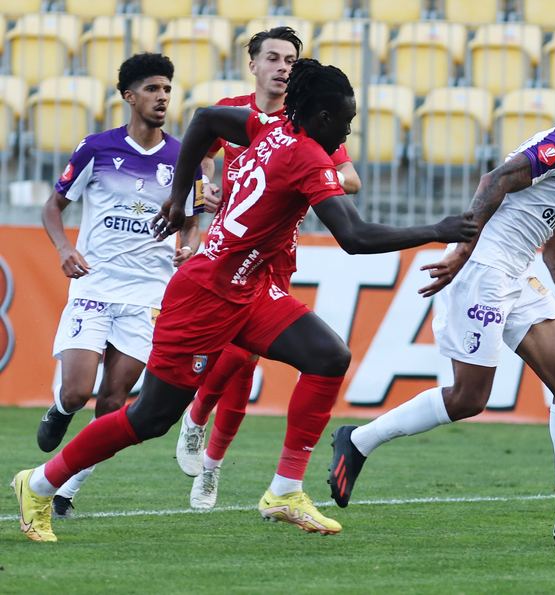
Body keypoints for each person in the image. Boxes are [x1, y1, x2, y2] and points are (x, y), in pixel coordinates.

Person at [11, 58, 477, 543]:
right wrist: (435, 230)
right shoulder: (310, 158)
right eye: (345, 121)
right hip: (205, 296)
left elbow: (205, 119)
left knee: (328, 356)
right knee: (150, 417)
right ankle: (40, 483)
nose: (347, 132)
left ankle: (284, 490)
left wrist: (177, 196)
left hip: (247, 289)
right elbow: (354, 236)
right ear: (321, 118)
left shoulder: (268, 124)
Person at [328, 91, 555, 548]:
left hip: (518, 272)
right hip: (481, 268)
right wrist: (463, 252)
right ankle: (359, 439)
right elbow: (495, 179)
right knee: (469, 398)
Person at [173, 26, 362, 510]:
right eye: (274, 58)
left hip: (275, 256)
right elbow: (201, 162)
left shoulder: (308, 123)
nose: (282, 67)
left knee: (242, 363)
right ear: (253, 65)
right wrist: (199, 196)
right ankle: (197, 422)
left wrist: (313, 174)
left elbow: (352, 179)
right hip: (231, 250)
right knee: (233, 358)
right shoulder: (240, 110)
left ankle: (209, 463)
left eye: (291, 60)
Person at [34, 53, 202, 520]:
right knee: (76, 392)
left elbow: (192, 222)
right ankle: (59, 411)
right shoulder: (97, 148)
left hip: (148, 296)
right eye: (152, 89)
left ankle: (65, 487)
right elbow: (53, 206)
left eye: (167, 89)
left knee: (114, 404)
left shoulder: (182, 157)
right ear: (130, 96)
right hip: (96, 285)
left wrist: (189, 244)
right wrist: (64, 249)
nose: (162, 97)